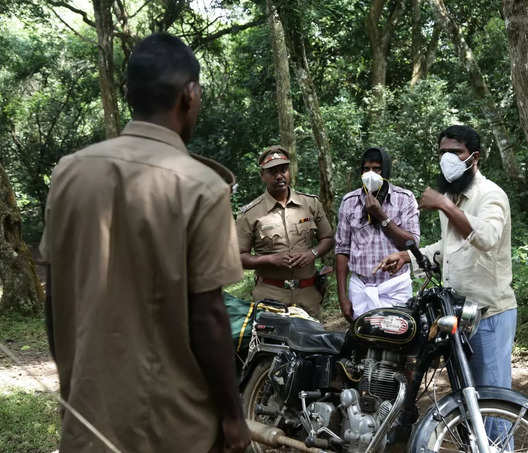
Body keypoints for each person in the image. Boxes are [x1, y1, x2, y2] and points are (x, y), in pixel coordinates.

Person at [39, 33, 250, 453]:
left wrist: (69, 386)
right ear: (189, 96)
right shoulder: (202, 187)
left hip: (87, 420)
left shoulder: (68, 174)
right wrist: (232, 417)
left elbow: (54, 296)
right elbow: (208, 316)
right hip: (171, 427)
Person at [376, 125, 517, 441]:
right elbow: (450, 247)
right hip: (457, 317)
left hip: (489, 314)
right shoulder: (452, 198)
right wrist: (408, 258)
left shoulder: (490, 195)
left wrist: (444, 205)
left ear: (474, 157)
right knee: (466, 399)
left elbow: (487, 238)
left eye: (455, 153)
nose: (447, 159)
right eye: (442, 153)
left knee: (493, 403)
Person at [236, 146, 334, 319]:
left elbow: (327, 238)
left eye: (284, 170)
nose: (280, 175)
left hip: (308, 293)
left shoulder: (311, 204)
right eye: (273, 172)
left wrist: (312, 253)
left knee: (312, 344)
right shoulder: (249, 214)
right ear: (262, 176)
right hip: (271, 295)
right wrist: (269, 260)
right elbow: (238, 257)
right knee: (272, 345)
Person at [335, 147, 420, 322]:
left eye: (377, 169)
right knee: (362, 343)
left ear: (386, 171)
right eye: (366, 169)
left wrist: (381, 215)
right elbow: (342, 251)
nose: (371, 174)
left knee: (398, 342)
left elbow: (412, 243)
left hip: (395, 289)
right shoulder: (350, 202)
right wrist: (343, 297)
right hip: (361, 288)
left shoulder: (405, 199)